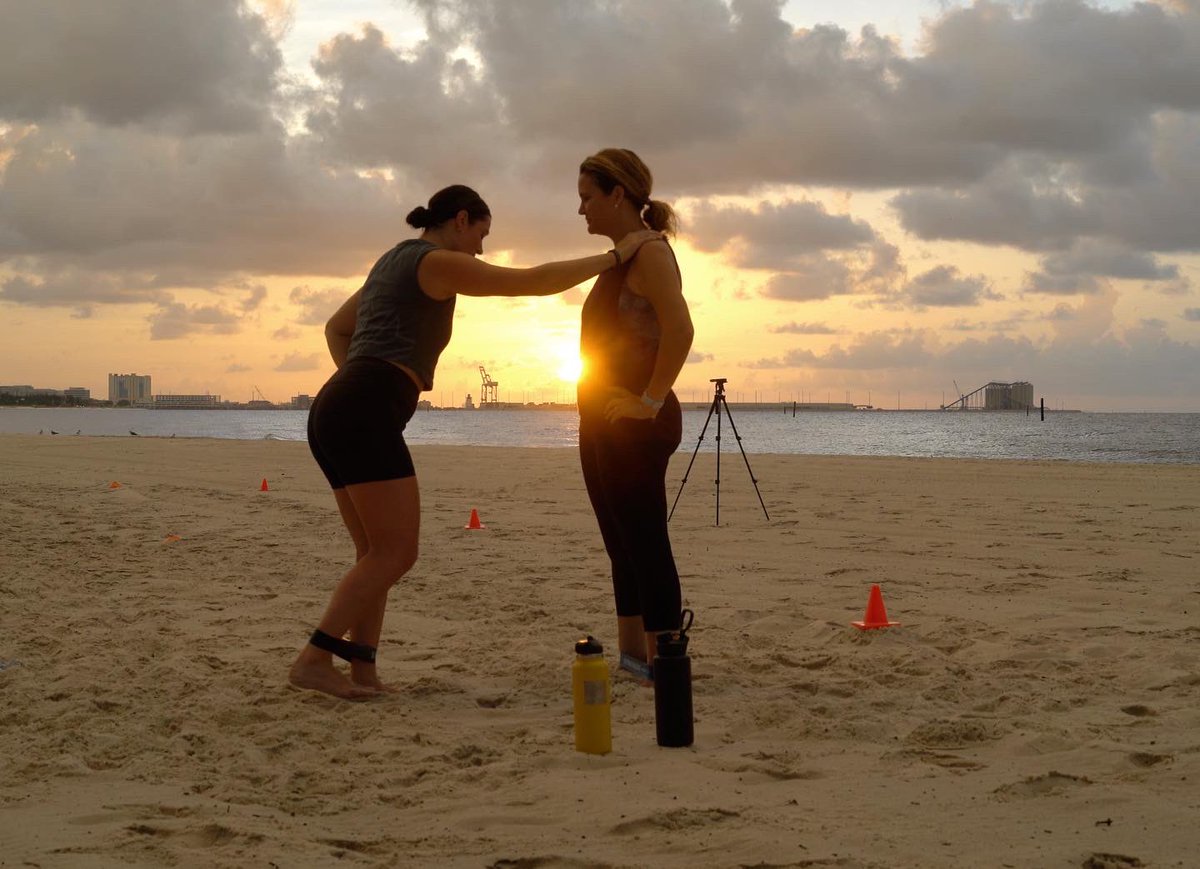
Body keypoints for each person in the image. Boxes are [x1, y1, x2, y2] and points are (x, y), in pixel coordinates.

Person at [290, 184, 661, 699]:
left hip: (336, 409)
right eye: (482, 235)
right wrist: (615, 255)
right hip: (361, 411)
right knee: (397, 553)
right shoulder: (435, 260)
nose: (482, 250)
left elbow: (336, 329)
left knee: (374, 553)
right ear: (461, 220)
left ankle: (362, 670)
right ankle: (314, 658)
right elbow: (531, 282)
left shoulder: (390, 262)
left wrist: (358, 379)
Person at [574, 149, 695, 682]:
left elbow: (681, 329)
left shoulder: (650, 254)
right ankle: (632, 657)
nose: (581, 210)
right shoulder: (622, 255)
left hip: (635, 423)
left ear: (617, 194)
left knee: (645, 542)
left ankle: (666, 656)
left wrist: (648, 401)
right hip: (601, 419)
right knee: (620, 543)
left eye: (587, 197)